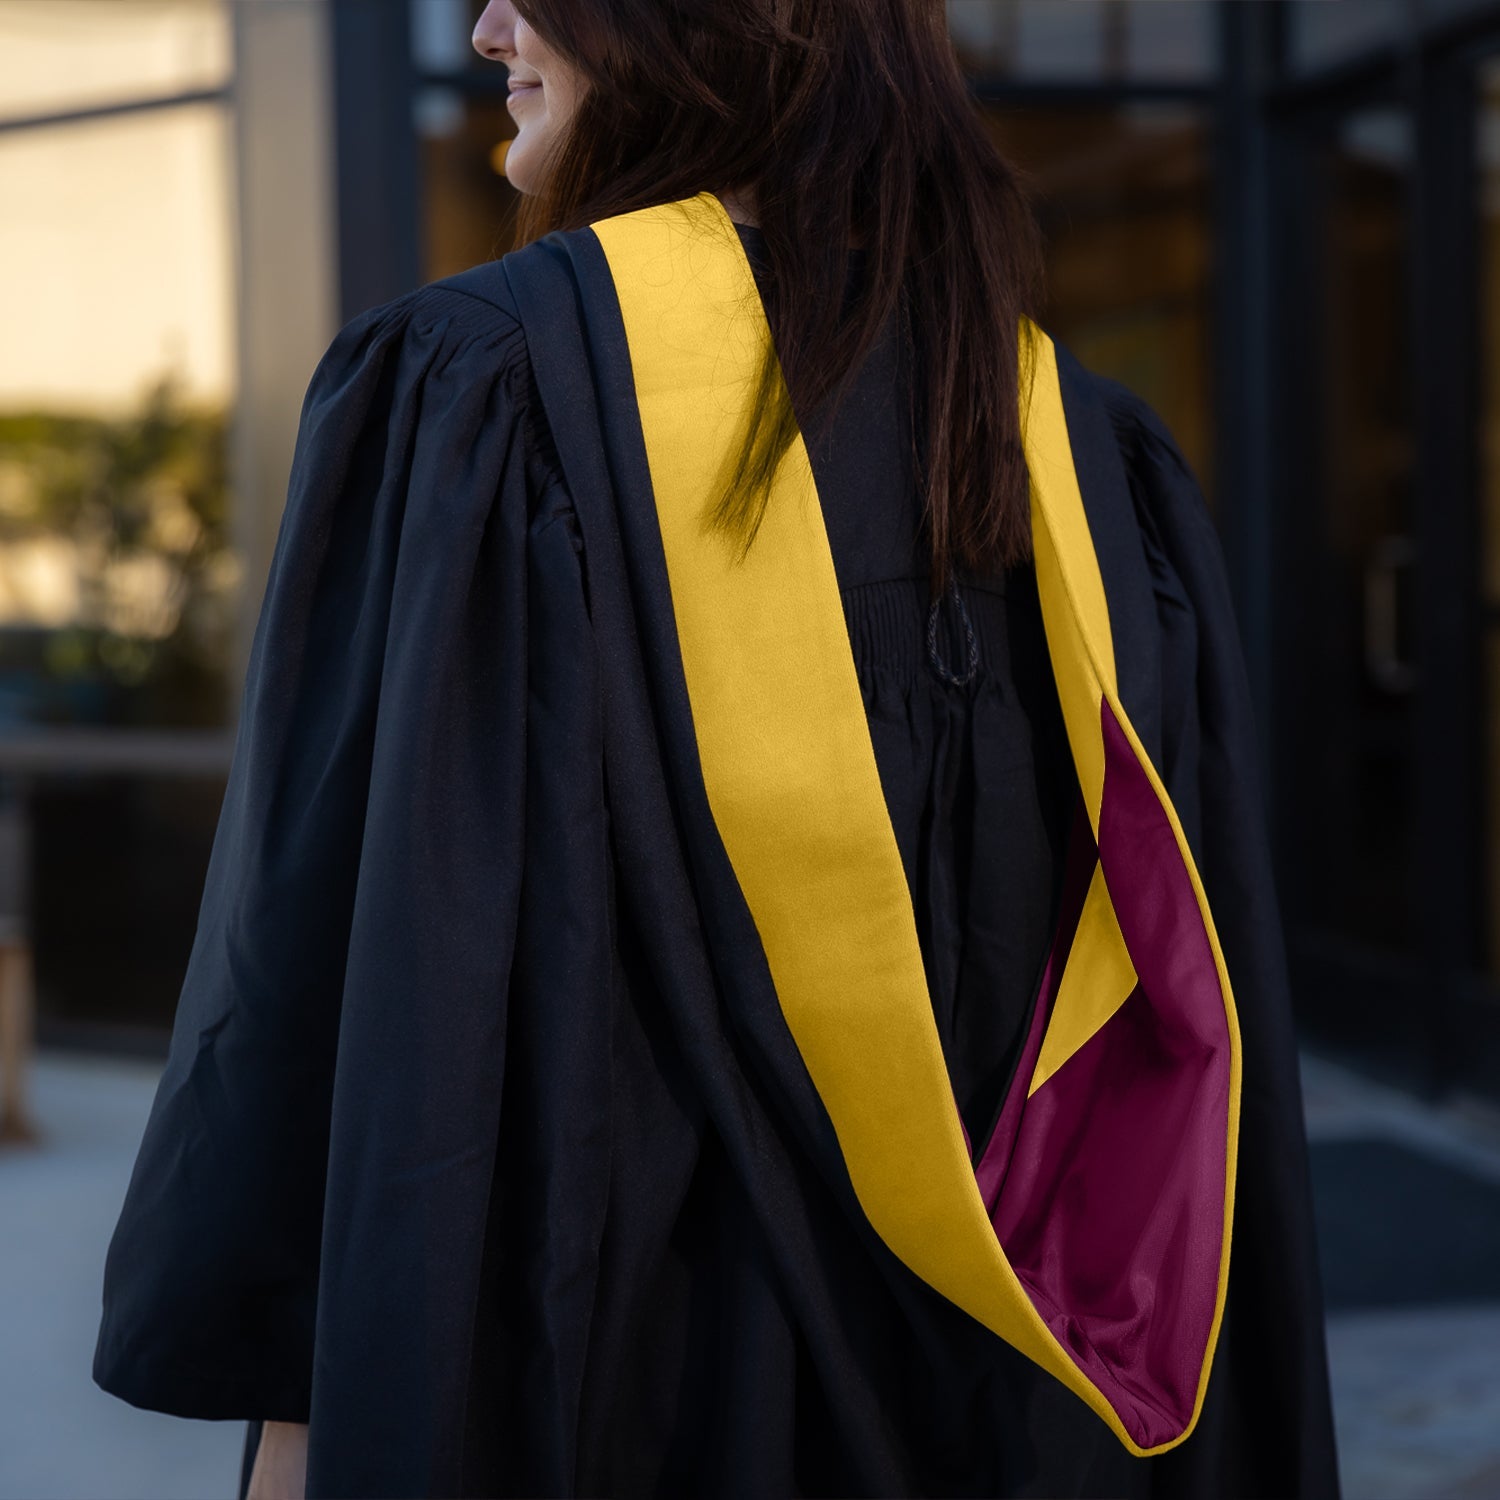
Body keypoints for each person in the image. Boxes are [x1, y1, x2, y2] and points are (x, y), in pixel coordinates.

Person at [92, 3, 1342, 1497]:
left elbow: (328, 1014)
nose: (490, 24)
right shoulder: (1083, 457)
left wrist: (295, 1441)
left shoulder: (482, 395)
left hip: (618, 1395)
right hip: (1023, 1421)